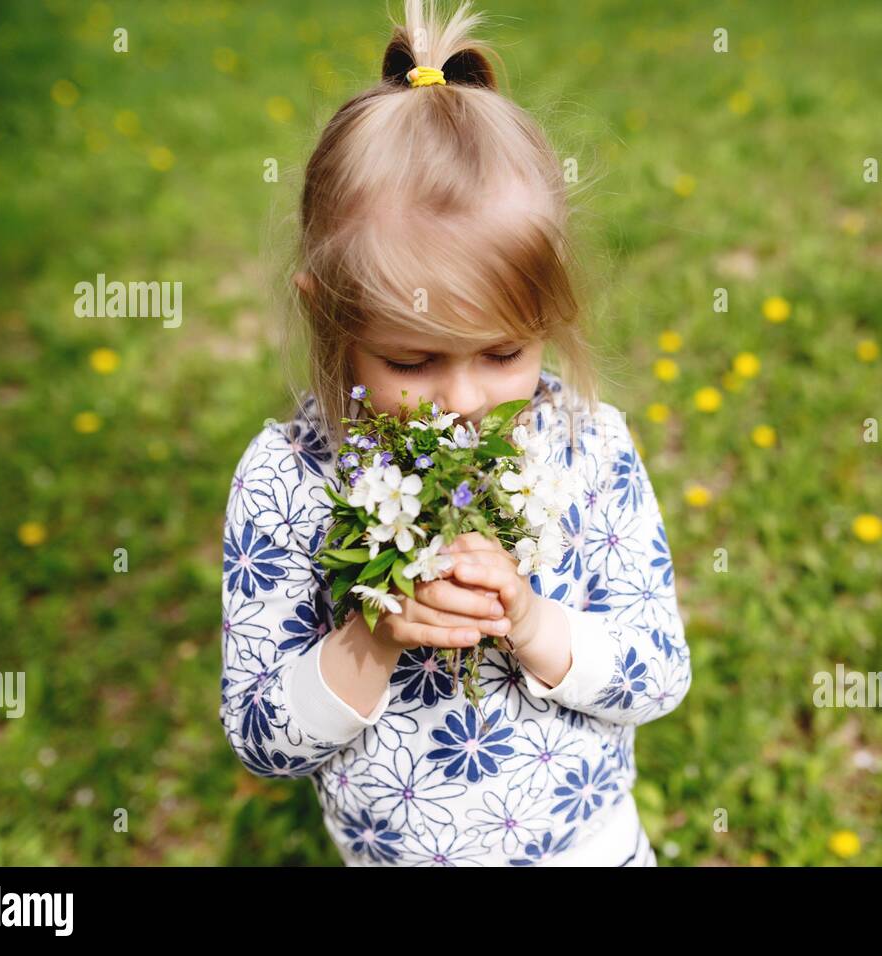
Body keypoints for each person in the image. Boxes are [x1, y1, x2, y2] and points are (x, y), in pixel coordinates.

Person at [219, 0, 691, 866]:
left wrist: (534, 621)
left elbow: (658, 672)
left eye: (505, 352)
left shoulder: (585, 446)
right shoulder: (288, 480)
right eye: (412, 362)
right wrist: (371, 634)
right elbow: (261, 737)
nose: (463, 400)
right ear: (330, 317)